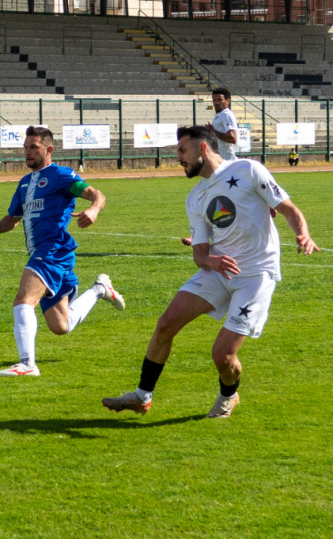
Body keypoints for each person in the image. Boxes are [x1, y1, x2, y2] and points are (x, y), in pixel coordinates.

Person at [102, 126, 319, 419]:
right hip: (219, 271)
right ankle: (142, 396)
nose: (178, 158)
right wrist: (212, 262)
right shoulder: (195, 198)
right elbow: (200, 254)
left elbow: (289, 209)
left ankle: (229, 395)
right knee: (165, 324)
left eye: (182, 151)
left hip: (256, 274)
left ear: (202, 148)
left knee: (223, 355)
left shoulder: (248, 169)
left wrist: (303, 234)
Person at [0, 126, 125, 377]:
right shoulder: (24, 183)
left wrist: (94, 210)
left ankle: (27, 364)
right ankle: (100, 289)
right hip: (47, 254)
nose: (28, 152)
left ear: (49, 149)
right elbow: (13, 219)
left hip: (52, 250)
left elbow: (95, 194)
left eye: (33, 147)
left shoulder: (61, 175)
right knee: (60, 326)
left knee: (24, 301)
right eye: (25, 147)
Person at [182, 88, 240, 246]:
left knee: (198, 198)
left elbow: (232, 138)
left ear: (227, 100)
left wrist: (214, 132)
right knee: (210, 199)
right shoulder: (220, 116)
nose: (216, 102)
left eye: (220, 100)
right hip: (221, 165)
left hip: (226, 165)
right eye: (214, 100)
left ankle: (198, 237)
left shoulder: (227, 115)